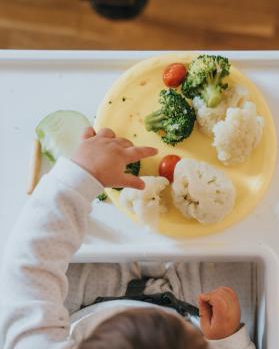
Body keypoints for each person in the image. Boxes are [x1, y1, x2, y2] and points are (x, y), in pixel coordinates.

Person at [0, 127, 256, 349]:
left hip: (84, 304)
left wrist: (80, 176)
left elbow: (27, 269)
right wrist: (225, 340)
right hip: (193, 305)